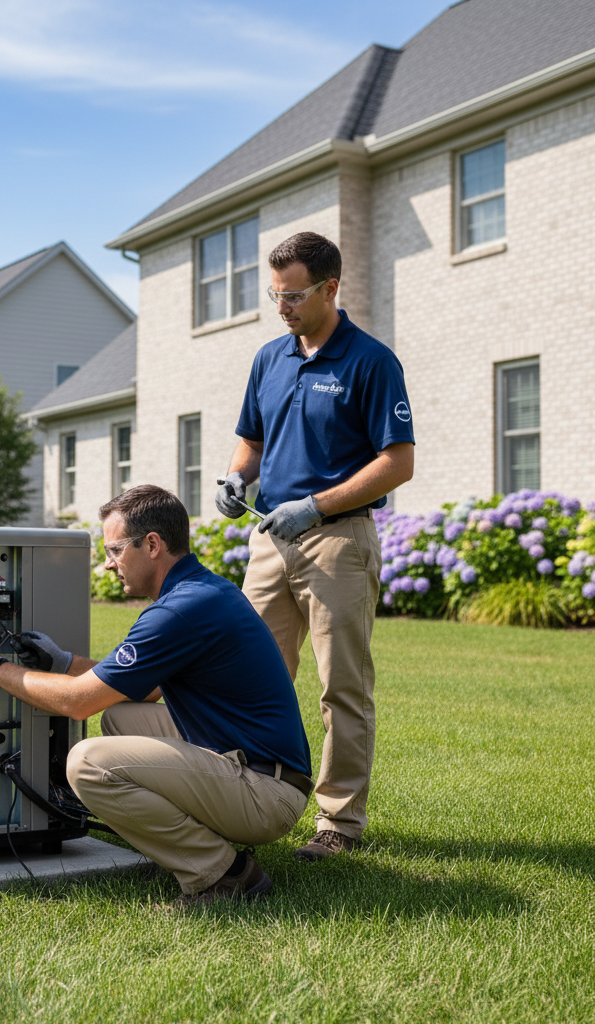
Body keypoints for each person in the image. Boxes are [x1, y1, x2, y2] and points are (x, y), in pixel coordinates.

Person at [0, 484, 313, 904]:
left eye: (115, 550)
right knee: (121, 717)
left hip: (264, 794)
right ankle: (194, 840)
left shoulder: (179, 610)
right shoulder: (198, 592)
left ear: (152, 544)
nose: (107, 564)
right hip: (257, 766)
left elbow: (78, 702)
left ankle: (222, 874)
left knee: (87, 763)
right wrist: (62, 661)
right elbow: (147, 690)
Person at [215, 231, 415, 861]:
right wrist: (236, 476)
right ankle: (247, 797)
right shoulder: (270, 358)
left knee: (342, 689)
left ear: (330, 288)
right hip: (271, 542)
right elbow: (251, 437)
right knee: (250, 678)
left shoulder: (371, 362)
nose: (282, 307)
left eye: (293, 295)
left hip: (338, 542)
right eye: (274, 295)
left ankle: (340, 823)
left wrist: (317, 504)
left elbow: (398, 463)